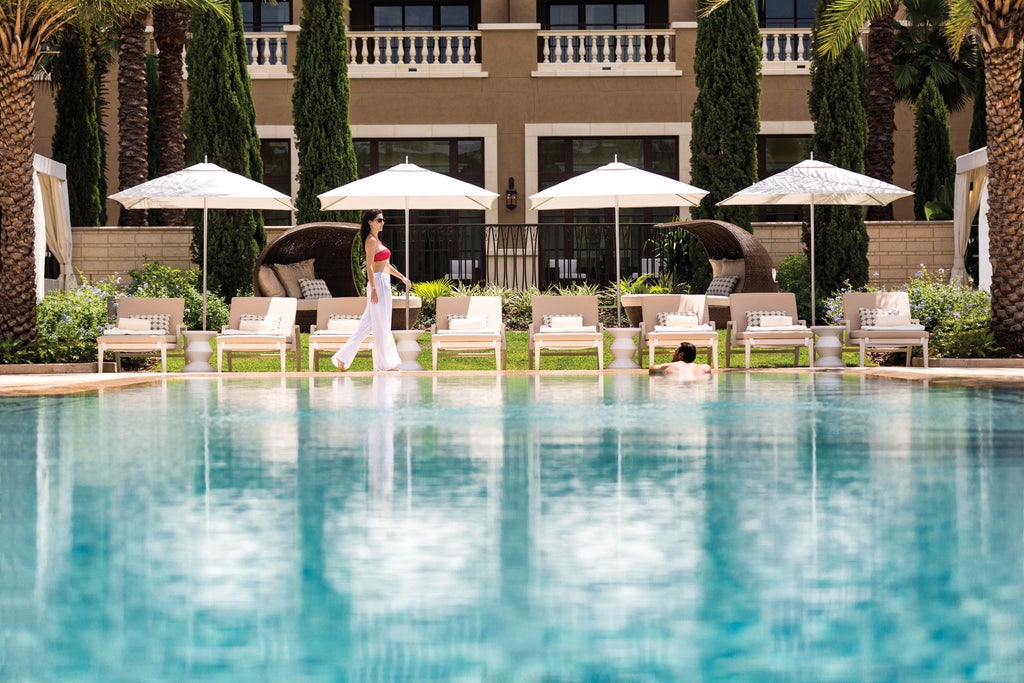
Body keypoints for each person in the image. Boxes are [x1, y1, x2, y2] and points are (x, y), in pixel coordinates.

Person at [332, 209, 412, 371]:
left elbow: (387, 266)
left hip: (384, 281)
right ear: (370, 222)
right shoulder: (371, 241)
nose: (383, 223)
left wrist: (402, 277)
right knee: (382, 324)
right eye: (379, 220)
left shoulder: (378, 241)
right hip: (379, 283)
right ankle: (387, 364)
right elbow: (369, 266)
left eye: (383, 220)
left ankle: (342, 357)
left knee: (367, 325)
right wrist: (374, 288)